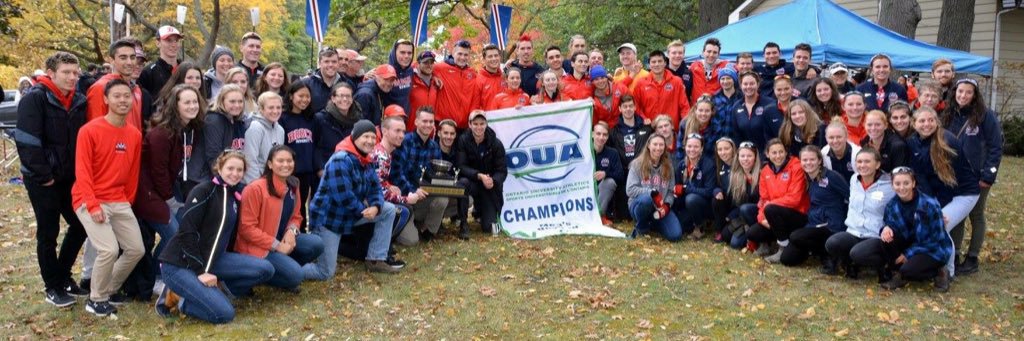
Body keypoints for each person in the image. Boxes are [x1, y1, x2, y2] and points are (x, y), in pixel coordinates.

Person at [155, 151, 275, 324]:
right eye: (230, 168)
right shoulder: (203, 190)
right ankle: (179, 299)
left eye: (239, 170)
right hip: (180, 264)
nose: (235, 173)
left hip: (213, 260)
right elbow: (186, 232)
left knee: (265, 269)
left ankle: (218, 294)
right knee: (224, 314)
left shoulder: (234, 196)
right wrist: (200, 272)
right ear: (219, 168)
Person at [15, 51, 90, 307]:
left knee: (81, 224)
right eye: (66, 72)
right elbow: (27, 141)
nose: (72, 77)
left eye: (75, 72)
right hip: (43, 179)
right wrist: (43, 175)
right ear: (51, 73)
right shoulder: (35, 99)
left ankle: (63, 276)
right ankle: (52, 286)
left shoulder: (78, 100)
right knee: (48, 232)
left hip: (70, 177)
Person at [73, 79, 145, 316]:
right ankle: (96, 299)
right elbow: (82, 171)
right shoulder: (89, 130)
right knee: (108, 250)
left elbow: (132, 173)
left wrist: (128, 201)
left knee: (136, 249)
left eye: (127, 96)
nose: (123, 100)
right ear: (106, 99)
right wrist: (93, 205)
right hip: (90, 198)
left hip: (119, 200)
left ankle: (108, 288)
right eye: (117, 96)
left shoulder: (134, 134)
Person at [303, 120, 402, 278]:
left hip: (351, 215)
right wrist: (365, 210)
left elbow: (375, 188)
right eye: (365, 136)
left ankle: (376, 259)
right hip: (329, 221)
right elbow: (344, 197)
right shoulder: (340, 159)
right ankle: (294, 269)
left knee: (388, 210)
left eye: (373, 137)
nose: (370, 141)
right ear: (355, 137)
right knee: (325, 272)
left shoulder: (366, 159)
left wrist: (376, 206)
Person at [133, 84, 205, 291]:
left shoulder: (187, 129)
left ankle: (161, 271)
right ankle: (157, 276)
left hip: (165, 190)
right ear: (175, 105)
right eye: (187, 102)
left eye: (195, 102)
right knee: (173, 233)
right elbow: (158, 171)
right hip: (147, 192)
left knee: (184, 229)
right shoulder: (161, 134)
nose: (192, 106)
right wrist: (170, 200)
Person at [236, 146, 324, 291]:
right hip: (258, 247)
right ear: (270, 164)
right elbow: (246, 229)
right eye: (280, 161)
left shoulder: (293, 184)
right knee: (296, 276)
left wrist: (291, 231)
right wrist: (276, 245)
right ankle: (266, 273)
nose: (285, 164)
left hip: (281, 239)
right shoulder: (255, 189)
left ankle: (284, 269)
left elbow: (297, 216)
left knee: (316, 243)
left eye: (289, 161)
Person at [907, 106, 980, 277]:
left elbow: (948, 183)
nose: (927, 124)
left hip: (962, 193)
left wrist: (936, 209)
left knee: (940, 225)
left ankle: (948, 272)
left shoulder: (946, 141)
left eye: (930, 120)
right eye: (922, 121)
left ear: (937, 122)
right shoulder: (912, 142)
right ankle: (929, 263)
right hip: (937, 192)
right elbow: (920, 176)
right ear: (914, 124)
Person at [942, 78, 1003, 275]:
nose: (963, 95)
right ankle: (956, 254)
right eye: (960, 91)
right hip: (953, 175)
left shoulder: (985, 115)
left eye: (968, 92)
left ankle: (973, 257)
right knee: (958, 215)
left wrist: (988, 175)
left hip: (977, 176)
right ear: (955, 92)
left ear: (975, 95)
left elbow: (995, 146)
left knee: (976, 215)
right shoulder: (949, 113)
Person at [824, 149, 896, 279]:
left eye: (867, 161)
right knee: (832, 243)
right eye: (859, 162)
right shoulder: (854, 179)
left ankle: (885, 266)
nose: (862, 165)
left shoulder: (890, 185)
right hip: (854, 231)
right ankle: (851, 263)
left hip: (876, 235)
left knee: (858, 253)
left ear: (877, 164)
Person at [877, 167, 952, 292]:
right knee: (886, 239)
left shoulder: (929, 205)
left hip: (932, 249)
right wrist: (885, 229)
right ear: (892, 185)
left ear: (913, 183)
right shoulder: (891, 205)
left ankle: (940, 271)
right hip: (910, 244)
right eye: (897, 184)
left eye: (906, 183)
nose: (902, 187)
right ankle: (898, 273)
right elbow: (888, 223)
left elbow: (936, 239)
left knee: (909, 270)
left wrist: (908, 254)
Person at [779, 145, 849, 267]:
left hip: (831, 227)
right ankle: (815, 250)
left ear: (819, 161)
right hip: (813, 223)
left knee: (795, 236)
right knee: (787, 259)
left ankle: (827, 254)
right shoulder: (806, 178)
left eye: (812, 159)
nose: (808, 163)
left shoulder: (832, 177)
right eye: (805, 160)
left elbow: (850, 196)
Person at [393, 107, 450, 241]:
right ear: (416, 122)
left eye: (431, 122)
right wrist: (413, 190)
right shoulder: (405, 142)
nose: (428, 125)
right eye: (424, 121)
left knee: (444, 199)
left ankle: (427, 230)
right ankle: (405, 221)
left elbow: (435, 175)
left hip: (424, 195)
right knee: (411, 241)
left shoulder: (434, 146)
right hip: (405, 198)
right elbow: (396, 174)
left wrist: (446, 184)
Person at [747, 139, 809, 262]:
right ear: (767, 154)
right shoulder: (765, 171)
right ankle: (768, 245)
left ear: (786, 152)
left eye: (781, 152)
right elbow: (763, 199)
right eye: (774, 153)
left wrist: (770, 206)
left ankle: (783, 248)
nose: (778, 156)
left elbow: (795, 199)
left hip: (796, 214)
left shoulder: (796, 167)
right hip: (774, 214)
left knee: (771, 209)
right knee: (752, 233)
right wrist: (762, 218)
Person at [455, 110, 507, 238]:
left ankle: (480, 211)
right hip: (472, 181)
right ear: (469, 124)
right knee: (462, 183)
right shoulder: (463, 140)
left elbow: (502, 171)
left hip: (488, 186)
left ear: (486, 124)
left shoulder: (496, 143)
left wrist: (493, 181)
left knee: (488, 227)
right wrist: (479, 175)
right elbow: (461, 166)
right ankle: (463, 223)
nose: (479, 127)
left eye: (482, 123)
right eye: (475, 124)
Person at [626, 134, 680, 241]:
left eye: (661, 145)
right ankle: (642, 227)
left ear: (664, 147)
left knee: (675, 235)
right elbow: (630, 190)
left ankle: (653, 222)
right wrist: (651, 192)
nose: (658, 148)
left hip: (659, 208)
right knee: (647, 199)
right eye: (655, 144)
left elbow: (670, 191)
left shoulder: (668, 166)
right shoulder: (637, 164)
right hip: (639, 205)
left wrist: (667, 205)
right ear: (648, 146)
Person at [279, 82, 317, 230]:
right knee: (289, 208)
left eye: (307, 96)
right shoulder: (283, 118)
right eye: (301, 96)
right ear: (291, 96)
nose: (305, 99)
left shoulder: (311, 119)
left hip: (306, 171)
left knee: (301, 209)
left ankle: (301, 235)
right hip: (289, 172)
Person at [86, 39, 144, 130]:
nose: (129, 62)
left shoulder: (136, 89)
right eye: (123, 58)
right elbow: (95, 129)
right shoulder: (100, 87)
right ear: (112, 60)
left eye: (132, 57)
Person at [313, 83, 363, 177]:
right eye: (341, 96)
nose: (345, 99)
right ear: (333, 98)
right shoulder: (320, 119)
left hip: (351, 170)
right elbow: (314, 146)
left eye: (348, 96)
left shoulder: (358, 120)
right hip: (327, 170)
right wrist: (320, 168)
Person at [673, 133, 716, 238]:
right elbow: (678, 187)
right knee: (680, 227)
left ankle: (699, 227)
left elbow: (709, 191)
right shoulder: (681, 165)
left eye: (696, 146)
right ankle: (693, 222)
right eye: (689, 146)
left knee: (691, 199)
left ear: (701, 149)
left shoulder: (708, 164)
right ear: (685, 147)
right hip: (687, 205)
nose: (692, 149)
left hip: (704, 204)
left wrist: (686, 189)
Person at [202, 85, 248, 181]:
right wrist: (225, 181)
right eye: (232, 101)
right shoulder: (214, 120)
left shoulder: (235, 120)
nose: (237, 105)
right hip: (207, 178)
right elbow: (213, 156)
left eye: (240, 101)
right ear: (222, 101)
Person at [634, 50, 689, 130]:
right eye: (653, 62)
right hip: (651, 130)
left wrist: (686, 125)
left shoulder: (676, 81)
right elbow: (636, 106)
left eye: (660, 61)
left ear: (665, 63)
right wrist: (643, 118)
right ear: (649, 65)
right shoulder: (641, 83)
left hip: (671, 130)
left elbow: (684, 106)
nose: (657, 64)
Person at [723, 141, 761, 249]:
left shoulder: (762, 174)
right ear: (738, 157)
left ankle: (756, 237)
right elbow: (736, 203)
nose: (745, 159)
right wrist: (731, 216)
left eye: (749, 156)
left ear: (755, 157)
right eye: (742, 156)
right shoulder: (735, 175)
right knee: (726, 235)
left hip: (758, 214)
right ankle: (744, 227)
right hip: (742, 216)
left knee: (736, 243)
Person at [242, 92, 286, 184]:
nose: (275, 111)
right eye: (271, 108)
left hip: (273, 181)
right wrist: (256, 185)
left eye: (278, 107)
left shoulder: (280, 130)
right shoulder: (255, 128)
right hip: (257, 183)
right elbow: (250, 160)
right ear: (261, 109)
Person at [434, 40, 478, 130]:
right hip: (444, 126)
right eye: (460, 54)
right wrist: (432, 77)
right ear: (453, 53)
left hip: (464, 127)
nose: (462, 57)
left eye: (466, 55)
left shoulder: (472, 73)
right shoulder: (440, 68)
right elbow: (418, 67)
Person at [733, 72, 778, 151]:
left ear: (758, 84)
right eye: (745, 84)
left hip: (768, 153)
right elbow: (737, 136)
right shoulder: (736, 106)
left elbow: (776, 132)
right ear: (740, 86)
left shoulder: (770, 104)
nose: (748, 87)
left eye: (752, 83)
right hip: (747, 154)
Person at [138, 26, 183, 97]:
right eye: (169, 40)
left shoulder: (187, 70)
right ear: (158, 43)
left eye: (176, 41)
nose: (174, 45)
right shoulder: (148, 73)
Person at [593, 122, 624, 225]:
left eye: (605, 135)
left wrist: (605, 174)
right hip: (586, 188)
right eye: (598, 134)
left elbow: (620, 175)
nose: (601, 137)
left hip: (602, 192)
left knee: (609, 182)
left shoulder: (612, 153)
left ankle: (599, 215)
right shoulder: (584, 151)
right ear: (592, 134)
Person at [609, 95, 653, 166]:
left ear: (635, 107)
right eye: (625, 106)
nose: (628, 109)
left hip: (642, 169)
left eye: (630, 106)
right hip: (622, 171)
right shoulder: (613, 132)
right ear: (620, 109)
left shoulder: (646, 128)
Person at [708, 138, 735, 241]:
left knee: (734, 242)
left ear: (733, 149)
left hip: (739, 204)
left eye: (726, 149)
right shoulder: (718, 165)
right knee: (716, 199)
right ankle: (720, 229)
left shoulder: (740, 163)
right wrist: (717, 191)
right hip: (726, 202)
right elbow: (715, 184)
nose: (723, 152)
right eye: (720, 149)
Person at [689, 38, 728, 103]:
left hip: (716, 107)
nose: (711, 55)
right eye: (709, 51)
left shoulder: (725, 66)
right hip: (697, 107)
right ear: (703, 52)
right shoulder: (694, 66)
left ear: (718, 54)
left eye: (715, 52)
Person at [409, 51, 440, 131]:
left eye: (431, 62)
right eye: (425, 62)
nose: (429, 65)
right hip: (411, 130)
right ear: (418, 64)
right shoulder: (410, 79)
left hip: (429, 131)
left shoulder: (435, 82)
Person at [386, 39, 416, 113]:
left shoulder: (411, 70)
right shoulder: (385, 72)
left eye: (409, 53)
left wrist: (434, 77)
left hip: (405, 116)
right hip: (389, 117)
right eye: (402, 52)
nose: (406, 56)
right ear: (394, 53)